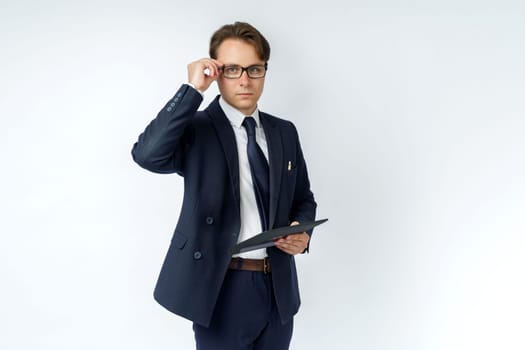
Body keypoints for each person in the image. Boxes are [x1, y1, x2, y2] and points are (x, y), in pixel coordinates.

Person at [131, 21, 317, 350]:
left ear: (264, 71)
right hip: (220, 286)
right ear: (216, 72)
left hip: (278, 289)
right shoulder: (197, 128)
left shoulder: (284, 132)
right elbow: (147, 156)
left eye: (253, 69)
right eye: (232, 69)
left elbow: (303, 198)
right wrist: (192, 91)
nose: (244, 80)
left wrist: (301, 233)